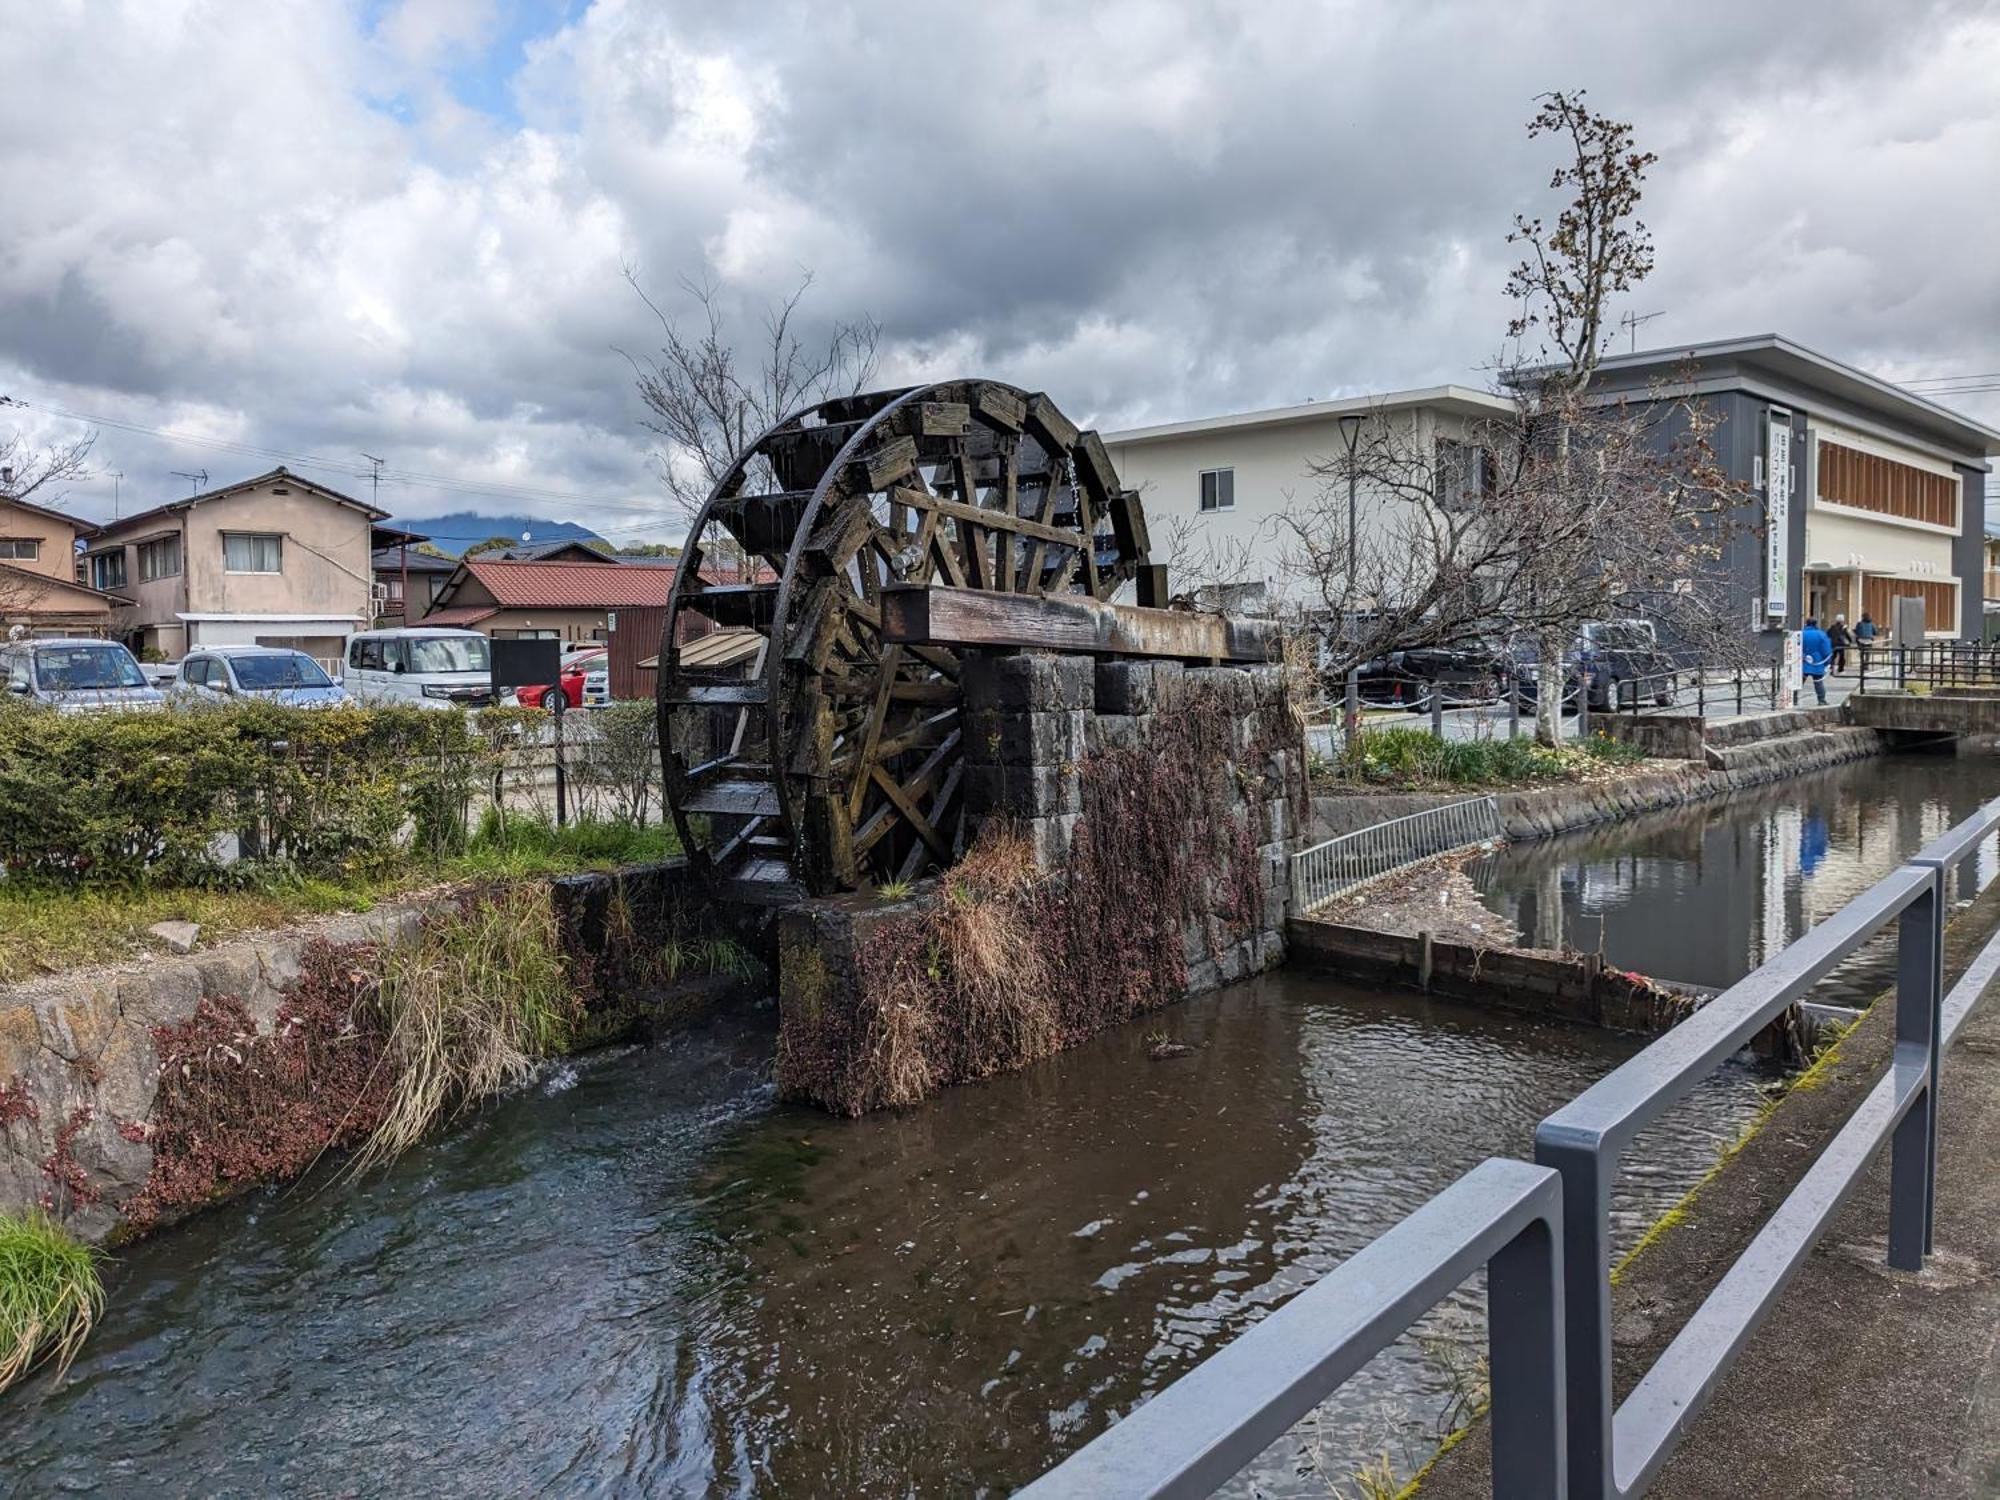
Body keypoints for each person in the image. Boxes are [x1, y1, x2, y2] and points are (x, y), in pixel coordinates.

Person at [1801, 617, 1833, 705]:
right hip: (1817, 661)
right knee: (1818, 682)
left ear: (1806, 624)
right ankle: (1821, 700)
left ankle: (1793, 699)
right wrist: (1827, 662)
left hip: (1804, 661)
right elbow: (1826, 650)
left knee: (1800, 681)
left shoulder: (1801, 634)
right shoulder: (1821, 634)